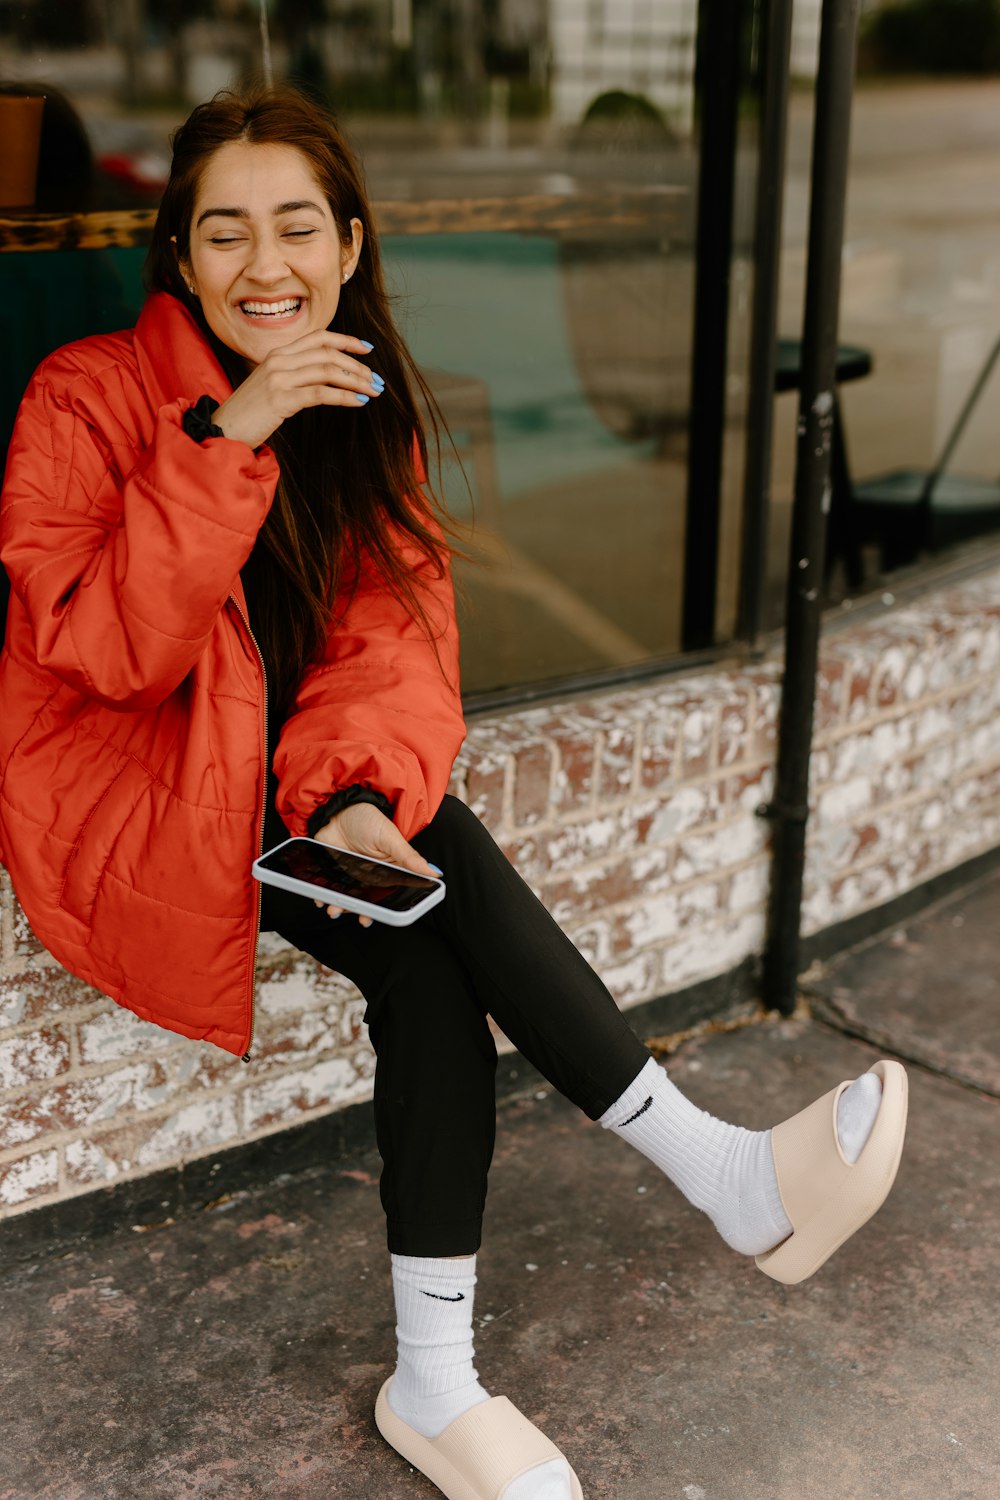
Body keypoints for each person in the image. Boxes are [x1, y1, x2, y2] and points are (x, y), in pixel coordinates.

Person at [0, 86, 908, 1500]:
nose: (265, 265)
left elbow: (390, 640)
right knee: (443, 911)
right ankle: (716, 1179)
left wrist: (361, 794)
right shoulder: (83, 395)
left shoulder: (368, 407)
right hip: (141, 783)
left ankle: (440, 1384)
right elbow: (105, 654)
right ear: (178, 258)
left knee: (427, 951)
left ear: (350, 245)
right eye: (224, 233)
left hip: (290, 775)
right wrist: (228, 434)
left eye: (297, 226)